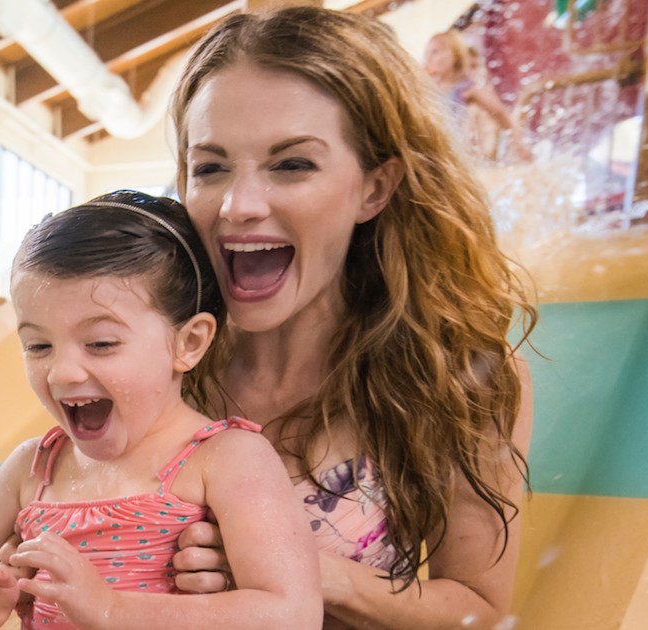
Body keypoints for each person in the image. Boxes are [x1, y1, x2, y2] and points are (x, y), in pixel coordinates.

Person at [153, 8, 538, 628]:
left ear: (375, 188)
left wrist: (304, 569)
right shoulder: (153, 359)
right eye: (211, 167)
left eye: (292, 164)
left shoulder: (460, 374)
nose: (237, 205)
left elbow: (478, 611)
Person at [0, 192, 325, 629]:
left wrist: (115, 609)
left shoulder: (226, 459)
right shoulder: (31, 469)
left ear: (187, 343)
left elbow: (291, 614)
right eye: (38, 345)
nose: (63, 372)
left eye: (101, 344)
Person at [423, 30, 531, 163]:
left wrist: (517, 141)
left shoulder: (465, 89)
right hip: (437, 153)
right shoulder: (427, 89)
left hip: (457, 154)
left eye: (435, 52)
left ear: (455, 56)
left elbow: (500, 112)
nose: (428, 58)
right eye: (426, 53)